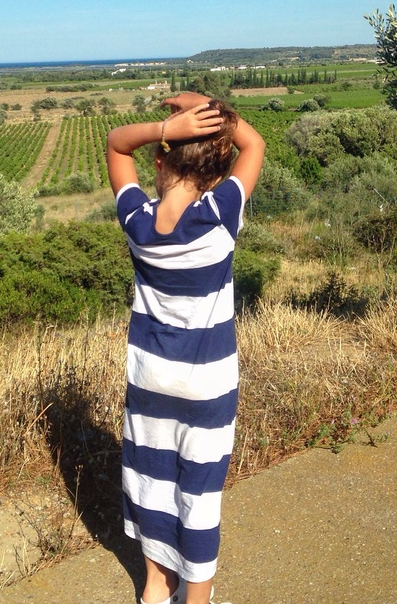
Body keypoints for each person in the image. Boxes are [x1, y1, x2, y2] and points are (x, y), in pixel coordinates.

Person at [106, 92, 265, 604]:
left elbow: (115, 144)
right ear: (216, 175)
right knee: (198, 494)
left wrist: (163, 128)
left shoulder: (138, 223)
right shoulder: (219, 216)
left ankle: (156, 587)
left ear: (159, 162)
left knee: (150, 480)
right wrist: (212, 108)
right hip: (207, 385)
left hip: (150, 378)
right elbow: (254, 144)